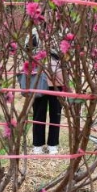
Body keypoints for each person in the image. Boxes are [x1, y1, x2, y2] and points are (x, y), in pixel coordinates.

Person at [28, 25, 64, 155]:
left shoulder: (60, 32)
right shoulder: (33, 32)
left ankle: (52, 144)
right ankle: (38, 144)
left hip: (58, 80)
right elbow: (27, 50)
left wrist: (52, 50)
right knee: (38, 113)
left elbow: (65, 53)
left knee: (56, 113)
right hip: (39, 79)